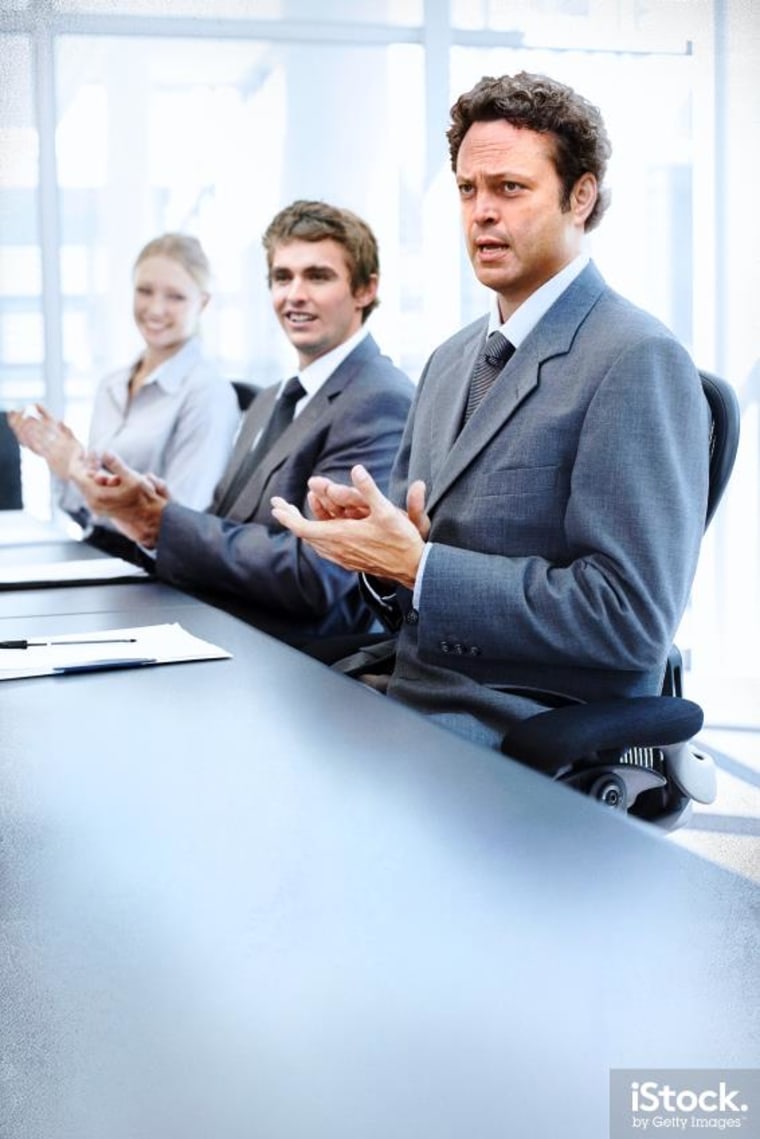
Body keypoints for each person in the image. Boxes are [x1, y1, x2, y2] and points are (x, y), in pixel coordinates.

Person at [271, 72, 710, 748]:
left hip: (513, 723)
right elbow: (412, 573)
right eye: (468, 190)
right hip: (407, 692)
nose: (481, 212)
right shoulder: (450, 361)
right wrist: (382, 555)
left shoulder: (636, 359)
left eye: (510, 188)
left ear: (581, 197)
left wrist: (422, 568)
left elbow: (629, 619)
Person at [74, 200, 414, 645]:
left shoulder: (379, 398)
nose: (295, 294)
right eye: (282, 277)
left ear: (365, 290)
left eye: (317, 276)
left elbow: (316, 575)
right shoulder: (271, 397)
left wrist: (165, 523)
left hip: (296, 662)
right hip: (220, 627)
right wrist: (150, 511)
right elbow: (226, 521)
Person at [9, 233, 240, 551]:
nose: (155, 309)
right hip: (98, 552)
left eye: (175, 296)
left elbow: (183, 525)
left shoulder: (208, 394)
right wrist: (63, 462)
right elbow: (85, 514)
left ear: (202, 302)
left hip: (157, 573)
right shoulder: (111, 386)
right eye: (145, 291)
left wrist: (78, 470)